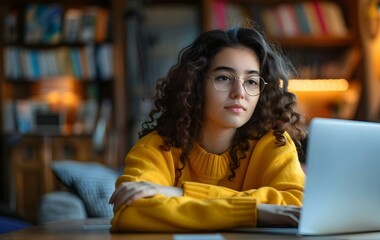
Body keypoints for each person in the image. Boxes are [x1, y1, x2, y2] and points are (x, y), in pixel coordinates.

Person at [109, 25, 307, 232]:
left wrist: (180, 194)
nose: (239, 93)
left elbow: (297, 204)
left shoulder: (275, 144)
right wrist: (257, 212)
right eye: (224, 78)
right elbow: (131, 210)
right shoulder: (156, 148)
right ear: (195, 84)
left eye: (251, 81)